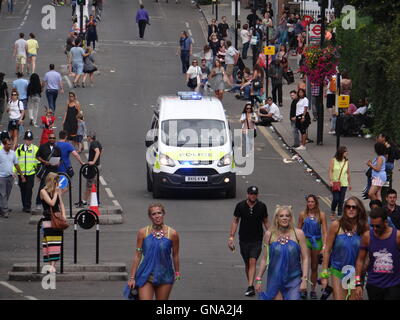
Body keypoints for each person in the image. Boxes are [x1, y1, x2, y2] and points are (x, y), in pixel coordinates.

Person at [127, 204, 180, 300]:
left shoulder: (173, 234)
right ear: (150, 217)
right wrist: (132, 277)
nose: (157, 216)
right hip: (146, 275)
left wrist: (177, 272)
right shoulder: (143, 232)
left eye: (159, 213)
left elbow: (175, 255)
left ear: (163, 214)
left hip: (165, 275)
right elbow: (137, 256)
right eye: (154, 214)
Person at [255, 206, 309, 300]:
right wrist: (259, 279)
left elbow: (305, 258)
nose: (284, 218)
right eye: (281, 216)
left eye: (287, 216)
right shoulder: (269, 234)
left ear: (291, 218)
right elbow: (264, 259)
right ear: (276, 218)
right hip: (275, 279)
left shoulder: (299, 234)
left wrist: (304, 279)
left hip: (294, 279)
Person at [321, 196, 368, 300]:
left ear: (359, 210)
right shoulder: (336, 225)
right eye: (348, 207)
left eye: (354, 207)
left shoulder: (364, 228)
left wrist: (362, 272)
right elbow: (327, 250)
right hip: (337, 270)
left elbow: (367, 253)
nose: (351, 209)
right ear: (344, 209)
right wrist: (324, 274)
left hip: (355, 272)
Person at [228, 186, 268, 297]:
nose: (253, 196)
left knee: (253, 261)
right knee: (247, 263)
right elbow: (235, 221)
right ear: (247, 195)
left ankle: (250, 287)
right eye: (251, 194)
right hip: (244, 239)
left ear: (257, 195)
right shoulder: (240, 206)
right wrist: (231, 237)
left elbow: (265, 221)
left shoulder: (262, 206)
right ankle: (250, 285)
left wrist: (271, 235)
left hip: (257, 239)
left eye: (255, 194)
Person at [353, 208, 400, 300]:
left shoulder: (397, 236)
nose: (374, 229)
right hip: (374, 285)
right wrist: (358, 283)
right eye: (372, 225)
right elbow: (360, 261)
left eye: (377, 226)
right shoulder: (367, 236)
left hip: (394, 285)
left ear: (386, 222)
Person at [297, 195, 328, 299]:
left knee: (314, 267)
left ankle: (313, 290)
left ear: (316, 203)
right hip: (305, 241)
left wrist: (324, 246)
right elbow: (298, 230)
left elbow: (324, 231)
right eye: (308, 201)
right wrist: (296, 243)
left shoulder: (321, 215)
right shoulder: (302, 214)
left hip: (317, 242)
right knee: (304, 266)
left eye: (312, 202)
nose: (310, 203)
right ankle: (303, 289)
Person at [40, 172, 66, 272]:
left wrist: (64, 215)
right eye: (56, 181)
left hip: (57, 218)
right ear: (52, 181)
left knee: (56, 243)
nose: (58, 183)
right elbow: (51, 203)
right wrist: (56, 193)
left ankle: (52, 266)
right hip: (48, 218)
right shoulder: (43, 191)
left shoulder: (56, 191)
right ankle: (50, 265)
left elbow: (61, 204)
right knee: (49, 242)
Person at [35, 133, 61, 211]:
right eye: (50, 138)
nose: (52, 139)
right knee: (43, 186)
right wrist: (44, 161)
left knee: (54, 187)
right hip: (46, 170)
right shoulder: (43, 147)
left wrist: (58, 163)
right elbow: (37, 156)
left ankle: (54, 203)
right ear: (48, 139)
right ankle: (38, 203)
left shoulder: (57, 148)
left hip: (54, 171)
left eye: (53, 138)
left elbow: (60, 158)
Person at [0, 137, 25, 218]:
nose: (10, 146)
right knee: (3, 194)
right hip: (1, 177)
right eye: (8, 144)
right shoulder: (0, 153)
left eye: (10, 144)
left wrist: (21, 175)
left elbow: (16, 164)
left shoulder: (12, 153)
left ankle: (2, 208)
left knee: (6, 194)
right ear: (4, 144)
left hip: (10, 177)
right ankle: (5, 211)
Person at [15, 130, 39, 213]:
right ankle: (24, 205)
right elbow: (15, 161)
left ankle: (27, 206)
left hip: (31, 173)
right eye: (27, 139)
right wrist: (13, 172)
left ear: (31, 140)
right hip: (21, 173)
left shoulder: (35, 148)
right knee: (23, 189)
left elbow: (38, 161)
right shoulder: (19, 149)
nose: (28, 141)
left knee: (29, 189)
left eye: (29, 140)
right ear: (24, 140)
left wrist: (38, 172)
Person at [329, 146, 351, 220]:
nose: (346, 153)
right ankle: (332, 212)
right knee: (336, 198)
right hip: (335, 183)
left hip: (344, 183)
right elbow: (330, 171)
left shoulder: (346, 161)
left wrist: (349, 183)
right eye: (345, 152)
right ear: (341, 152)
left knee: (341, 199)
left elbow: (348, 173)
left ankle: (339, 214)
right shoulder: (333, 160)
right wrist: (330, 180)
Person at [83, 131, 102, 204]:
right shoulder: (97, 142)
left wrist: (93, 161)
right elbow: (101, 150)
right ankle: (96, 200)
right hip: (98, 165)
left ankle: (84, 201)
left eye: (87, 136)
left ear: (90, 137)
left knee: (89, 184)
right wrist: (97, 159)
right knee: (95, 184)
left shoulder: (93, 143)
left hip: (93, 167)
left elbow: (97, 151)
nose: (87, 138)